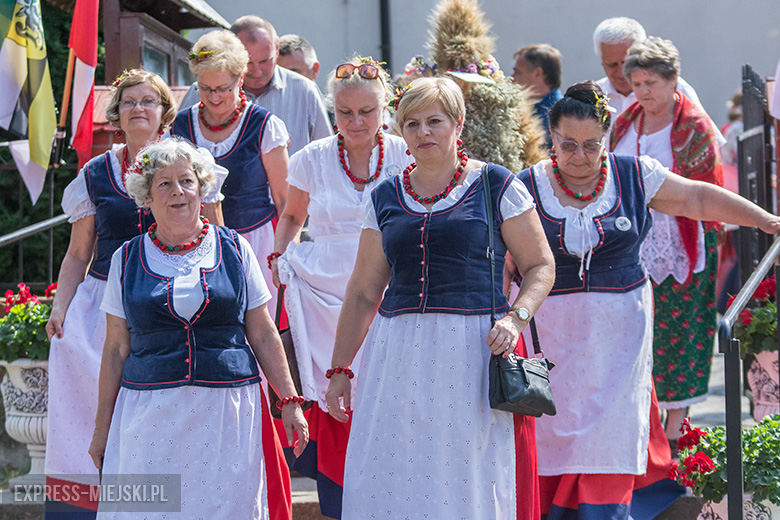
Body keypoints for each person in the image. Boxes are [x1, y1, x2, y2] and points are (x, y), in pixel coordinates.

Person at [516, 81, 779, 519]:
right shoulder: (526, 187)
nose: (579, 156)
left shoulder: (634, 174)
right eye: (567, 146)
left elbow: (695, 197)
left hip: (620, 339)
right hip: (554, 343)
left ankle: (610, 513)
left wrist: (765, 219)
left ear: (607, 136)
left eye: (590, 145)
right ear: (551, 136)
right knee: (554, 430)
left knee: (613, 430)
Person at [325, 76, 557, 519]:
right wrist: (339, 369)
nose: (423, 133)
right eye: (411, 123)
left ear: (458, 123)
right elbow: (361, 293)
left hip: (471, 350)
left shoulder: (495, 184)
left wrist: (516, 318)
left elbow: (540, 265)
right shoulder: (386, 196)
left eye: (435, 121)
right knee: (396, 466)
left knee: (464, 468)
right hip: (397, 354)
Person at [88, 138, 308, 519]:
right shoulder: (126, 258)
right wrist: (101, 429)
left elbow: (262, 331)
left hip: (225, 409)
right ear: (147, 195)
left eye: (186, 181)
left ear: (201, 188)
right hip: (150, 409)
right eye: (164, 183)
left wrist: (289, 401)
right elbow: (115, 350)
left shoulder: (235, 248)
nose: (178, 192)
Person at [42, 70, 191, 517]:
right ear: (117, 116)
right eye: (129, 102)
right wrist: (60, 308)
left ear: (165, 113)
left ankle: (163, 502)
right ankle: (84, 506)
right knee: (86, 392)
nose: (139, 108)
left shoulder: (188, 164)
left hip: (171, 297)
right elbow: (77, 254)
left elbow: (216, 238)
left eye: (149, 101)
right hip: (106, 297)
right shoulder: (97, 172)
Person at [269, 57, 411, 519]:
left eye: (365, 112)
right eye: (345, 112)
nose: (355, 122)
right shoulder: (311, 158)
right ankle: (339, 494)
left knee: (388, 387)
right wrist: (279, 256)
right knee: (334, 387)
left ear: (384, 109)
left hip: (387, 277)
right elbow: (292, 215)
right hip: (323, 285)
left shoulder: (407, 152)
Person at [609, 37, 724, 448]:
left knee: (682, 332)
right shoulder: (624, 120)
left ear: (672, 80)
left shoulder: (693, 125)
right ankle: (643, 425)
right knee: (638, 333)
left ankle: (675, 431)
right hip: (633, 244)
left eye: (650, 83)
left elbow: (706, 190)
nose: (642, 92)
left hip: (681, 242)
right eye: (636, 83)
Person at [172, 29, 289, 315]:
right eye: (205, 88)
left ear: (240, 80)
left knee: (258, 324)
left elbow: (286, 201)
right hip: (193, 246)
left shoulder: (264, 126)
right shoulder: (179, 127)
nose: (214, 97)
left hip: (257, 242)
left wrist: (284, 255)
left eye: (223, 88)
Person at [179, 15, 331, 156]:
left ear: (277, 48)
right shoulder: (201, 92)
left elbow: (326, 154)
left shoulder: (305, 91)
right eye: (249, 63)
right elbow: (176, 150)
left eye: (265, 61)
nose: (257, 72)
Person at [592, 16, 723, 147]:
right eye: (612, 65)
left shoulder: (674, 89)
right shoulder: (592, 96)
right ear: (602, 62)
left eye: (626, 63)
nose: (622, 72)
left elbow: (712, 143)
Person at [512, 43, 563, 148]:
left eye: (518, 72)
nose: (512, 78)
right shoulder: (537, 107)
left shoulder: (557, 115)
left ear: (537, 73)